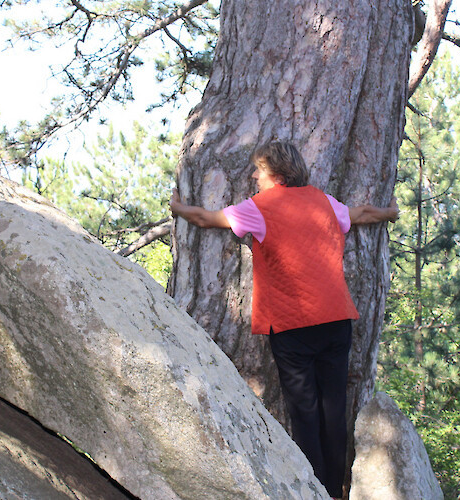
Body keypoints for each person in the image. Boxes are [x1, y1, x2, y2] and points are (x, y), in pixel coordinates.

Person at [170, 141, 398, 499]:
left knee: (305, 412)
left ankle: (316, 490)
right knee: (334, 408)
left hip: (293, 328)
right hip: (336, 319)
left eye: (258, 171)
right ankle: (334, 491)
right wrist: (391, 214)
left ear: (276, 175)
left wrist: (178, 207)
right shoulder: (324, 201)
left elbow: (204, 218)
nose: (253, 176)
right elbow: (364, 213)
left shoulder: (258, 209)